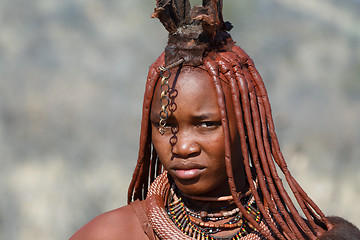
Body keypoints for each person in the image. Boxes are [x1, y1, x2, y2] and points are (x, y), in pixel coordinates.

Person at [69, 1, 360, 239]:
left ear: (246, 126)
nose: (182, 147)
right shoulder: (111, 234)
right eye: (165, 125)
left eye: (206, 124)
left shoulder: (307, 237)